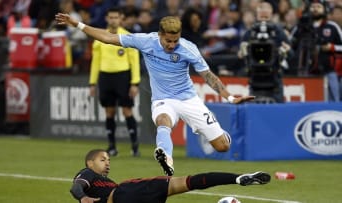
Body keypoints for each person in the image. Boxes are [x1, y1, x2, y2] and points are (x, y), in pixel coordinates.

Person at [55, 12, 255, 176]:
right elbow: (107, 37)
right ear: (159, 35)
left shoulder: (188, 49)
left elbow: (208, 76)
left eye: (175, 41)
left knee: (222, 147)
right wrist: (78, 24)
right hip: (163, 99)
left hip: (188, 99)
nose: (171, 45)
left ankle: (221, 135)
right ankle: (166, 156)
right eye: (168, 41)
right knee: (162, 120)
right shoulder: (145, 41)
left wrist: (229, 97)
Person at [70, 149, 271, 203]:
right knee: (188, 182)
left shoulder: (104, 183)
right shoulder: (86, 173)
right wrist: (83, 197)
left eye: (108, 159)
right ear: (90, 163)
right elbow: (76, 187)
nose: (108, 163)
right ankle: (236, 178)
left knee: (187, 184)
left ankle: (236, 179)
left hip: (125, 195)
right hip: (126, 192)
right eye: (102, 160)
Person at [89, 7, 141, 157]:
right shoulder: (100, 37)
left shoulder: (127, 36)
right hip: (105, 77)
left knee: (127, 111)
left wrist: (135, 83)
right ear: (107, 19)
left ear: (121, 18)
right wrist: (92, 83)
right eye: (110, 17)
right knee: (109, 112)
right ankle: (111, 146)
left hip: (123, 77)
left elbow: (134, 61)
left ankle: (134, 146)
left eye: (115, 17)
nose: (113, 20)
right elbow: (95, 62)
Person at [238, 0, 292, 103]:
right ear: (256, 13)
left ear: (271, 13)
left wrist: (286, 51)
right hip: (255, 77)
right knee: (254, 110)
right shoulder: (250, 32)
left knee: (276, 110)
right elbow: (241, 55)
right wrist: (242, 51)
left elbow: (291, 54)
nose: (264, 12)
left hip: (274, 77)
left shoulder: (279, 32)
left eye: (267, 10)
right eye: (261, 9)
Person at [290, 0, 342, 102]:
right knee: (308, 101)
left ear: (324, 9)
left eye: (318, 7)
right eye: (313, 7)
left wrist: (331, 47)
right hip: (305, 73)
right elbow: (290, 46)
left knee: (334, 102)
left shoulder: (332, 26)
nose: (315, 9)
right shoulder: (300, 27)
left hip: (328, 71)